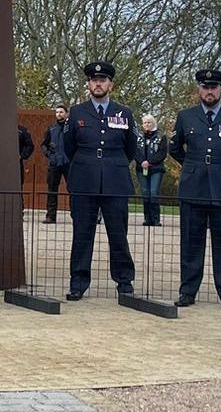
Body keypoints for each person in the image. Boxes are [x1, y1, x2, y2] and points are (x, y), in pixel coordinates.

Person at [168, 68, 221, 311]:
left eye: (213, 87)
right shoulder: (186, 116)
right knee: (191, 242)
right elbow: (174, 148)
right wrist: (193, 167)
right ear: (199, 89)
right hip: (193, 187)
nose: (209, 91)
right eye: (205, 87)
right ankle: (187, 291)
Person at [61, 60, 139, 301]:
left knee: (118, 233)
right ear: (89, 84)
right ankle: (78, 282)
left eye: (102, 80)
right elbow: (69, 146)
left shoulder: (124, 113)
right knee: (82, 233)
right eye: (94, 80)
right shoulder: (76, 112)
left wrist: (110, 163)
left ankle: (124, 280)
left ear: (110, 84)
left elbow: (131, 149)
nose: (98, 84)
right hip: (84, 179)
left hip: (115, 179)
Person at [135, 113, 168, 227]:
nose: (147, 124)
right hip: (141, 168)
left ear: (153, 123)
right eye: (145, 123)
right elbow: (135, 151)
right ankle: (147, 219)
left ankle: (156, 219)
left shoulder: (161, 136)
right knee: (145, 193)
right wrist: (142, 161)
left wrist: (150, 162)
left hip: (156, 169)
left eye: (149, 122)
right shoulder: (138, 136)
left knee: (153, 193)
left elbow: (162, 153)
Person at [40, 106, 69, 224]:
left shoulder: (71, 129)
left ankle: (76, 215)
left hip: (68, 163)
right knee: (52, 190)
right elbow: (43, 145)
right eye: (57, 112)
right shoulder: (51, 128)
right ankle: (51, 216)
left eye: (61, 112)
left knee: (73, 189)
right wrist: (49, 155)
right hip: (54, 163)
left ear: (66, 114)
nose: (59, 114)